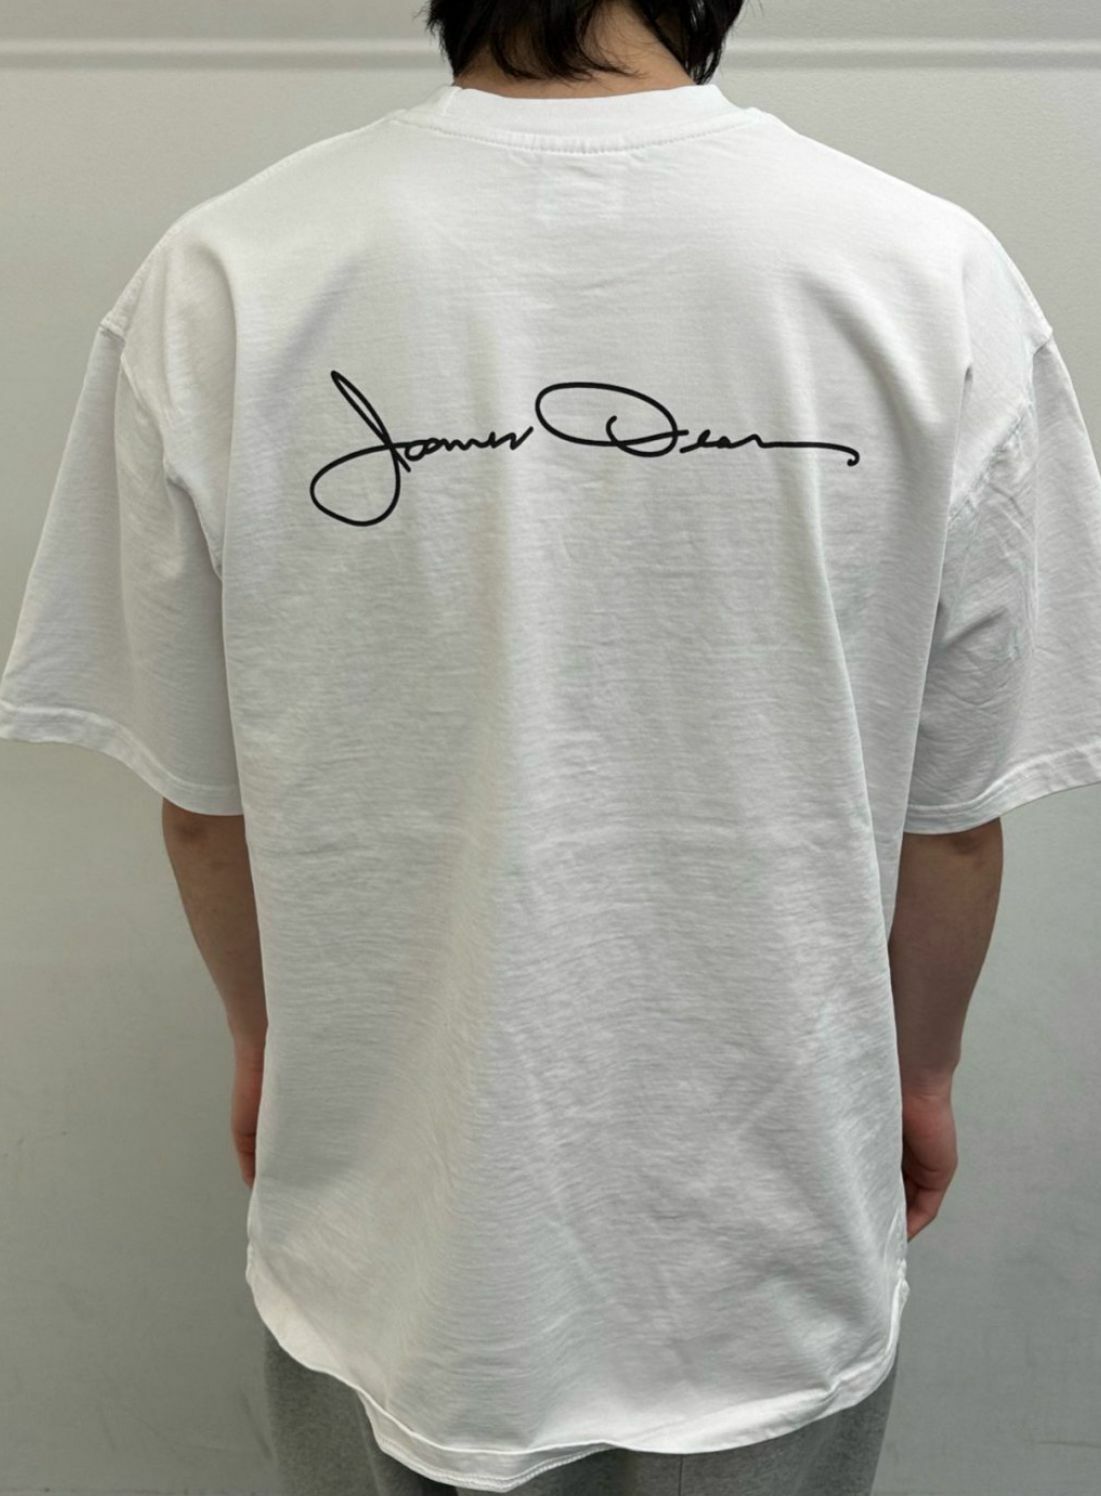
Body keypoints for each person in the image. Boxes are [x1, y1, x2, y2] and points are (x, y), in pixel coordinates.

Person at [1, 0, 1100, 1492]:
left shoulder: (229, 274)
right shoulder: (927, 270)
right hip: (771, 1236)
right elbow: (951, 820)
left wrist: (270, 1045)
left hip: (395, 1246)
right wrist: (919, 1074)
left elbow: (207, 809)